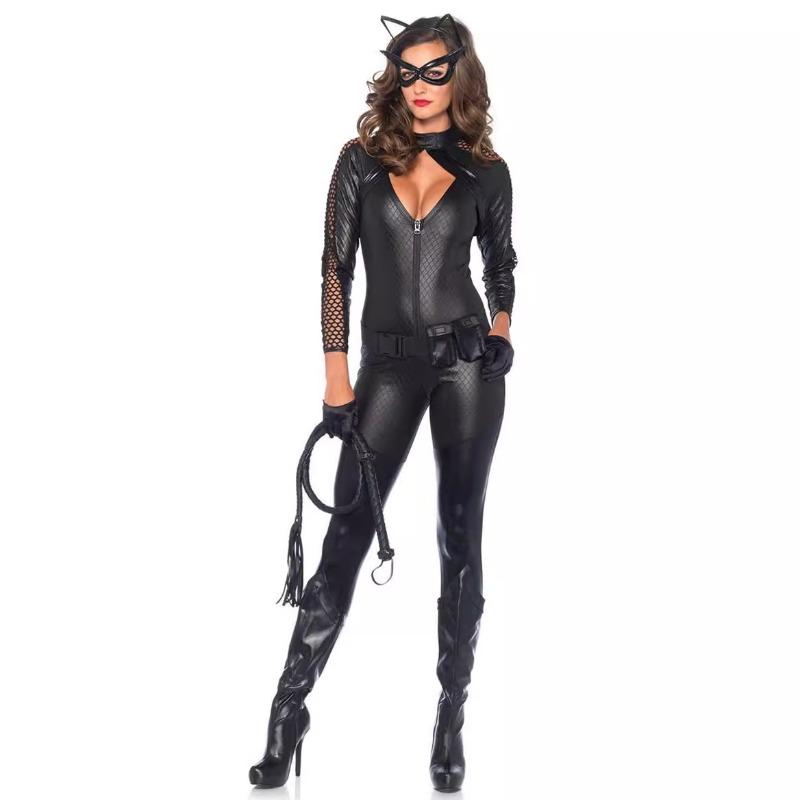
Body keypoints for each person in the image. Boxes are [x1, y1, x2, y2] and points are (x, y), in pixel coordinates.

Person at [249, 14, 517, 792]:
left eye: (437, 71)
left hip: (467, 367)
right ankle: (287, 714)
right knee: (345, 537)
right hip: (388, 371)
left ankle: (450, 718)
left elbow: (501, 268)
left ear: (460, 74)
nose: (422, 86)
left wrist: (501, 330)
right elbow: (334, 270)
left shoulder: (488, 170)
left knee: (460, 536)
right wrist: (337, 378)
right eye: (409, 71)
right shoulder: (360, 161)